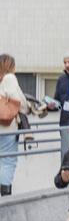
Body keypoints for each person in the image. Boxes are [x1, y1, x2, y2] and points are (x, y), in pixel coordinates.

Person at [0, 54, 30, 196]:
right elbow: (17, 102)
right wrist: (27, 107)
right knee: (8, 160)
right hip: (6, 127)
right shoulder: (9, 78)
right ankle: (5, 197)